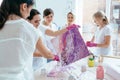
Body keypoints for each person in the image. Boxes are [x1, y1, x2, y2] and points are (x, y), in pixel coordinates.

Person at [0, 0, 59, 80]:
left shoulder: (2, 25)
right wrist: (57, 56)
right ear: (24, 7)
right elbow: (47, 54)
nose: (29, 14)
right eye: (30, 10)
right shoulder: (29, 29)